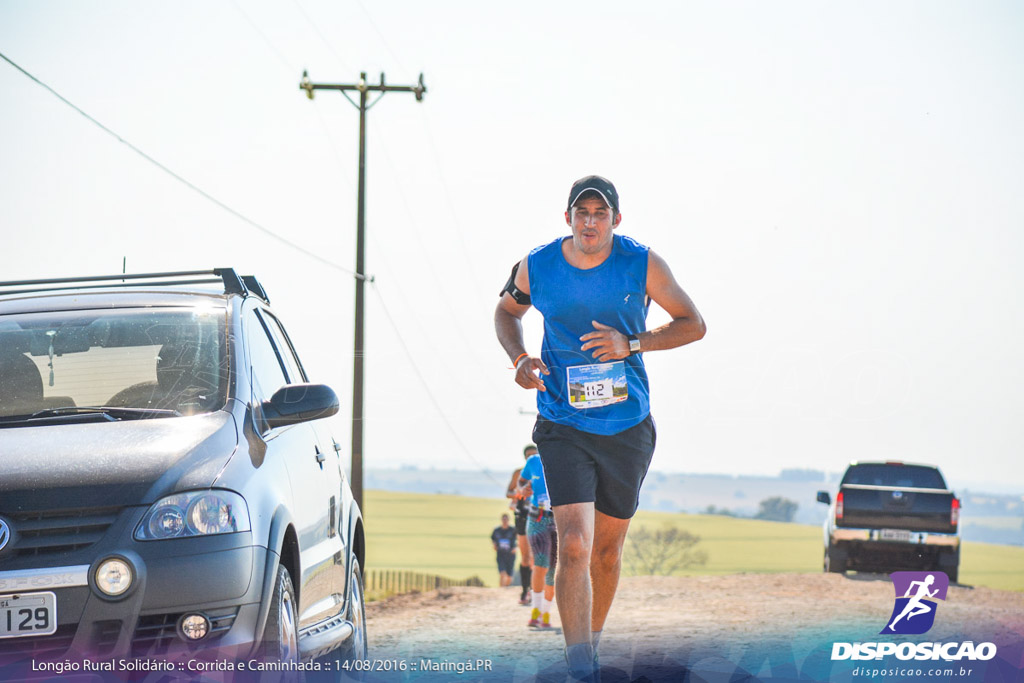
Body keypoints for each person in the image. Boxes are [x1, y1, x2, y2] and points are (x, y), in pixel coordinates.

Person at [494, 175, 706, 681]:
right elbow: (505, 313)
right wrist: (520, 357)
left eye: (601, 213)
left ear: (616, 219)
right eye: (581, 212)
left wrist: (630, 343)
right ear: (567, 217)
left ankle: (591, 643)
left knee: (606, 553)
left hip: (626, 425)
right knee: (572, 545)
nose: (591, 222)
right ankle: (580, 666)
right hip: (562, 422)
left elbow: (692, 324)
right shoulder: (537, 265)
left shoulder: (642, 263)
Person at [518, 447, 557, 629]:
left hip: (560, 519)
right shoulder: (533, 461)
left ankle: (547, 611)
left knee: (552, 571)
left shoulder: (567, 458)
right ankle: (535, 611)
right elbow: (521, 482)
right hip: (537, 517)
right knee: (540, 564)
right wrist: (523, 489)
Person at [506, 444, 536, 604]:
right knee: (526, 555)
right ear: (524, 457)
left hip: (541, 513)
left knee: (539, 555)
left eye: (534, 455)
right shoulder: (519, 473)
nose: (531, 458)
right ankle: (526, 591)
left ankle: (538, 590)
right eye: (528, 455)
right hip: (523, 514)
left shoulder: (542, 471)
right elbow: (508, 492)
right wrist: (519, 494)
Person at [491, 513, 518, 587]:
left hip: (510, 555)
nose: (505, 521)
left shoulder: (513, 530)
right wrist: (494, 545)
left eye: (506, 519)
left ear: (508, 520)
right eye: (503, 519)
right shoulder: (496, 530)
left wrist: (515, 548)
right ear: (501, 520)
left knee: (509, 576)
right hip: (501, 554)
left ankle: (506, 587)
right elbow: (493, 539)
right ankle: (501, 588)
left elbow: (519, 540)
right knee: (502, 573)